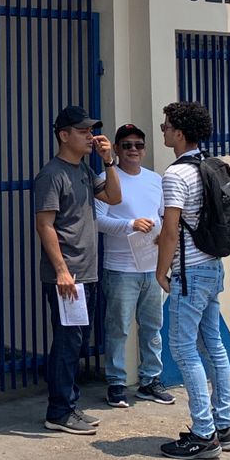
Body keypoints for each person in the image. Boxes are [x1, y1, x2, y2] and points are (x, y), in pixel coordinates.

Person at [154, 101, 230, 460]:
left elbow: (171, 229)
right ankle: (224, 426)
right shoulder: (209, 167)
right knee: (213, 345)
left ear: (180, 133)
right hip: (213, 266)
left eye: (166, 126)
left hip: (189, 272)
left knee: (184, 348)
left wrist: (161, 269)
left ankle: (203, 434)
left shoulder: (175, 175)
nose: (163, 130)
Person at [33, 105, 121, 435]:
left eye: (91, 131)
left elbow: (113, 196)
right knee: (69, 342)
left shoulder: (83, 169)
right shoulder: (52, 175)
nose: (90, 136)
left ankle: (68, 404)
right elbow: (45, 225)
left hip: (87, 272)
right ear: (64, 135)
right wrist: (61, 271)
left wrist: (109, 160)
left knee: (79, 343)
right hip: (69, 276)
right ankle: (58, 411)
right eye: (83, 131)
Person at [95, 123, 174, 408]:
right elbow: (98, 220)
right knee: (119, 327)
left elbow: (166, 216)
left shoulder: (155, 180)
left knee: (153, 326)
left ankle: (150, 380)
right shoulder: (106, 178)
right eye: (126, 145)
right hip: (120, 268)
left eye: (138, 145)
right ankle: (116, 383)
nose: (133, 150)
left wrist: (160, 235)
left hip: (152, 267)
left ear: (144, 149)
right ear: (116, 149)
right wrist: (131, 225)